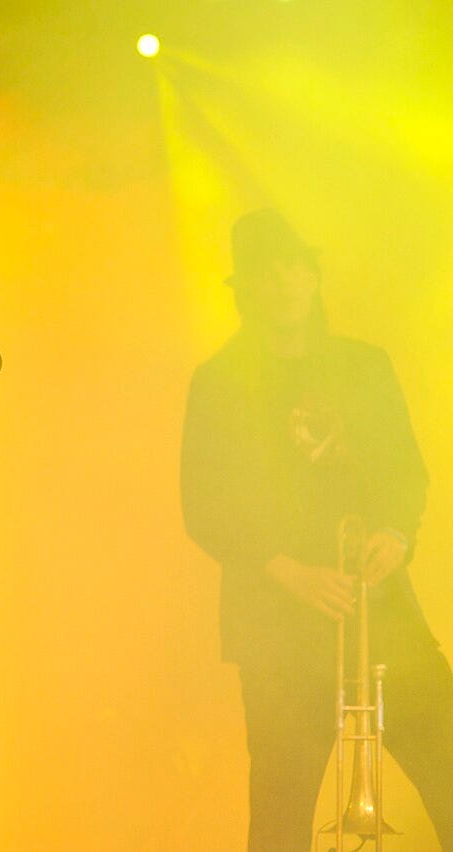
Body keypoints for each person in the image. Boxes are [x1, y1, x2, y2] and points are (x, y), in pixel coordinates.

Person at [181, 208, 453, 851]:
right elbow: (204, 503)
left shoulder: (366, 367)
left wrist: (395, 532)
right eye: (270, 270)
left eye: (298, 267)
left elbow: (405, 474)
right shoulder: (218, 383)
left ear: (314, 277)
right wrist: (289, 572)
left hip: (379, 609)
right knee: (280, 809)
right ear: (243, 284)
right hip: (277, 632)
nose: (287, 282)